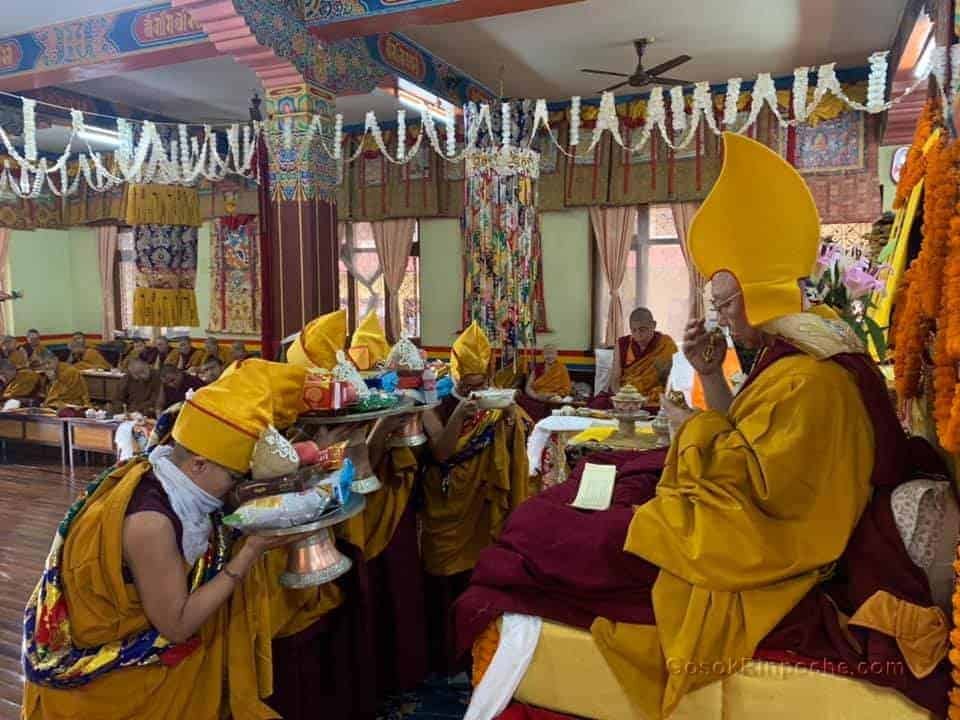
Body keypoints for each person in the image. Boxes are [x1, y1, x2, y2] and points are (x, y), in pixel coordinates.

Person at [457, 133, 948, 720]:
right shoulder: (790, 358)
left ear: (761, 295)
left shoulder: (817, 381)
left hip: (750, 545)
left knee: (545, 528)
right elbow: (746, 439)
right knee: (573, 501)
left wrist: (688, 427)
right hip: (727, 512)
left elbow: (771, 494)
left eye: (724, 303)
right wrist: (712, 378)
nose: (719, 317)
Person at [21, 359, 341, 719]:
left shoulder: (167, 474)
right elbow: (177, 626)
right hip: (115, 684)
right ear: (199, 464)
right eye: (234, 476)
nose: (235, 488)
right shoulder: (150, 523)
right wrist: (250, 551)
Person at [274, 308, 429, 720]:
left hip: (363, 517)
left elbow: (367, 470)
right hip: (310, 541)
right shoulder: (283, 427)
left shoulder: (363, 400)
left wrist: (368, 437)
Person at [419, 322, 531, 674]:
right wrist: (458, 415)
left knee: (475, 576)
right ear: (455, 372)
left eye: (480, 381)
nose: (475, 388)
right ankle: (443, 655)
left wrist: (511, 419)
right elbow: (440, 453)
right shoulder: (433, 403)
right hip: (445, 503)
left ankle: (475, 647)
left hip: (480, 504)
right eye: (468, 382)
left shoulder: (494, 402)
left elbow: (517, 437)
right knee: (443, 581)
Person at [592, 307, 676, 408]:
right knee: (598, 404)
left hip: (651, 399)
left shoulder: (665, 344)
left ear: (653, 325)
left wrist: (647, 399)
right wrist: (622, 398)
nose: (638, 335)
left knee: (664, 409)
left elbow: (672, 382)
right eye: (634, 330)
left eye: (642, 330)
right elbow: (615, 380)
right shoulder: (623, 343)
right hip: (625, 396)